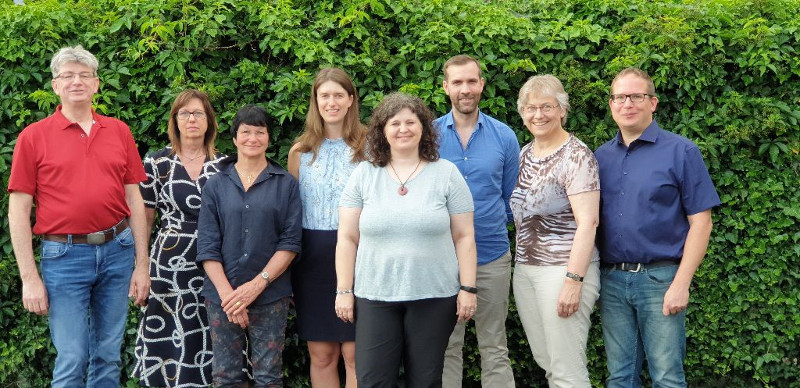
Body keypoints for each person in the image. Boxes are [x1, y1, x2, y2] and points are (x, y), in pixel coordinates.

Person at [8, 45, 150, 387]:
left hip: (118, 251)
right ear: (55, 85)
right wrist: (29, 278)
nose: (76, 82)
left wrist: (141, 264)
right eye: (67, 75)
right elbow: (19, 210)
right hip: (64, 257)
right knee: (72, 357)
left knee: (109, 354)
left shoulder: (119, 132)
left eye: (84, 75)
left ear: (96, 84)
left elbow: (135, 199)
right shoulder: (33, 137)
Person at [335, 92, 478, 387]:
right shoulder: (364, 175)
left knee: (425, 381)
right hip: (375, 295)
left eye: (411, 122)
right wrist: (344, 290)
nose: (403, 129)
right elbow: (347, 238)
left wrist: (468, 288)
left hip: (434, 296)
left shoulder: (447, 174)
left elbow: (464, 236)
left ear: (423, 128)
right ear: (382, 131)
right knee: (373, 380)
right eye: (395, 123)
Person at [595, 68, 720, 387]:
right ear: (611, 105)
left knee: (667, 377)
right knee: (620, 377)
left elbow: (701, 222)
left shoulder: (681, 151)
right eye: (620, 97)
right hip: (611, 281)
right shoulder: (600, 157)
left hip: (660, 280)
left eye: (636, 96)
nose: (627, 104)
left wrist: (682, 283)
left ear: (653, 103)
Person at [196, 105, 302, 387]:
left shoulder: (286, 184)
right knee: (225, 376)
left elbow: (290, 242)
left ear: (269, 138)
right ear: (234, 138)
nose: (252, 138)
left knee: (268, 376)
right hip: (222, 297)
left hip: (270, 295)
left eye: (260, 132)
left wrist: (257, 285)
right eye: (246, 132)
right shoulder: (216, 185)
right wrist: (229, 296)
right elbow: (207, 244)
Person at [510, 75, 601, 386]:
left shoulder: (577, 155)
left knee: (566, 367)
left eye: (547, 107)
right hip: (526, 270)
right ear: (522, 113)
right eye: (531, 108)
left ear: (562, 110)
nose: (539, 115)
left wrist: (574, 281)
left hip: (563, 270)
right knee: (547, 360)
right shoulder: (523, 155)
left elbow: (588, 222)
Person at [434, 54, 519, 388]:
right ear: (445, 87)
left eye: (471, 81)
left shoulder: (504, 136)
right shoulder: (428, 135)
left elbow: (512, 198)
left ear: (482, 84)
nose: (465, 89)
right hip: (441, 261)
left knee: (495, 345)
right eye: (457, 82)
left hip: (492, 257)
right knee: (445, 347)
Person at [132, 89, 225, 386]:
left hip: (214, 262)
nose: (192, 119)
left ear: (209, 120)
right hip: (167, 265)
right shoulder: (156, 163)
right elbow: (145, 219)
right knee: (168, 336)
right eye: (184, 114)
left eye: (198, 113)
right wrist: (141, 266)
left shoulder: (226, 166)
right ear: (175, 120)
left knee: (209, 333)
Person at [288, 68, 366, 388]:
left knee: (355, 354)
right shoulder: (300, 152)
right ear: (316, 101)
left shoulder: (370, 146)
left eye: (338, 95)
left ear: (350, 100)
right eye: (324, 96)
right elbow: (291, 215)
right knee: (321, 355)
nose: (331, 102)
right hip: (312, 261)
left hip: (360, 257)